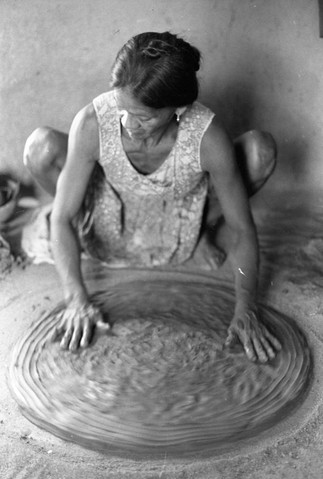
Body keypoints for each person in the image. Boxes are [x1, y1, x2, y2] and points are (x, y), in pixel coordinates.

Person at [23, 31, 281, 361]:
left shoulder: (205, 135)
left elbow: (243, 230)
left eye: (144, 117)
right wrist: (75, 297)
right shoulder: (93, 122)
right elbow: (60, 217)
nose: (129, 125)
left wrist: (247, 308)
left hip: (180, 226)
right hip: (107, 225)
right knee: (41, 146)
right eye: (122, 109)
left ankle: (204, 234)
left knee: (259, 149)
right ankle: (86, 244)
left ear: (179, 108)